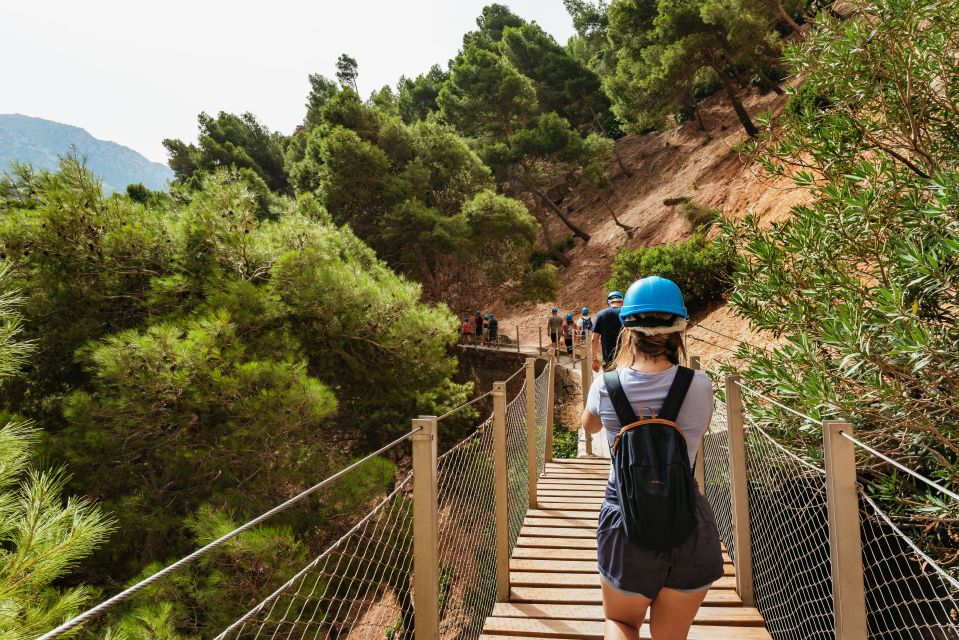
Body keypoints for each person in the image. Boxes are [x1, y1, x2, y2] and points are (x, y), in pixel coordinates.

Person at [581, 276, 722, 640]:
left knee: (622, 623)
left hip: (626, 523)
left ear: (627, 327)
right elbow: (700, 430)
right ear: (679, 329)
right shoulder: (699, 384)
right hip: (686, 521)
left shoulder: (605, 385)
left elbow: (589, 427)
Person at [592, 291, 624, 372]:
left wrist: (594, 359)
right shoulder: (627, 313)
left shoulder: (601, 314)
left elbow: (594, 339)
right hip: (626, 360)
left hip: (608, 360)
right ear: (622, 301)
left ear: (608, 302)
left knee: (609, 383)